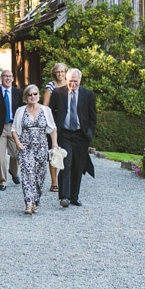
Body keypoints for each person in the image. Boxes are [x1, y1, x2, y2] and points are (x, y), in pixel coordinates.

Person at [52, 68, 97, 208]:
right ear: (66, 80)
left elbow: (92, 117)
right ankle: (64, 196)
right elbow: (51, 112)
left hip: (80, 135)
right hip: (64, 133)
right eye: (70, 81)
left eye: (75, 82)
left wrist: (89, 133)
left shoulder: (88, 94)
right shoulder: (58, 93)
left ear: (80, 81)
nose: (73, 84)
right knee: (66, 163)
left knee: (78, 166)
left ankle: (74, 197)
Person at [12, 85, 58, 214]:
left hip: (42, 147)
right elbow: (14, 130)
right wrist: (17, 142)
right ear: (26, 97)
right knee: (27, 173)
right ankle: (28, 202)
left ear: (38, 95)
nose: (33, 96)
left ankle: (36, 201)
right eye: (30, 94)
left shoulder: (46, 110)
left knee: (39, 176)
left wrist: (54, 144)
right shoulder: (20, 111)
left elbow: (53, 129)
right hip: (25, 146)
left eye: (35, 94)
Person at [0, 70, 23, 191]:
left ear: (13, 78)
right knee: (0, 157)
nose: (7, 78)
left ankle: (13, 171)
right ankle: (2, 181)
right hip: (0, 128)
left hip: (14, 128)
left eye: (9, 76)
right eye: (5, 76)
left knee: (17, 154)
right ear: (1, 78)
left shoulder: (19, 93)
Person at [41, 62, 68, 193]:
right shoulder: (50, 86)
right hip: (54, 121)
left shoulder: (70, 84)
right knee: (54, 151)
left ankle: (65, 180)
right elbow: (45, 106)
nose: (60, 74)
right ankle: (54, 182)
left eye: (62, 71)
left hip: (67, 121)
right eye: (58, 72)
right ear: (54, 73)